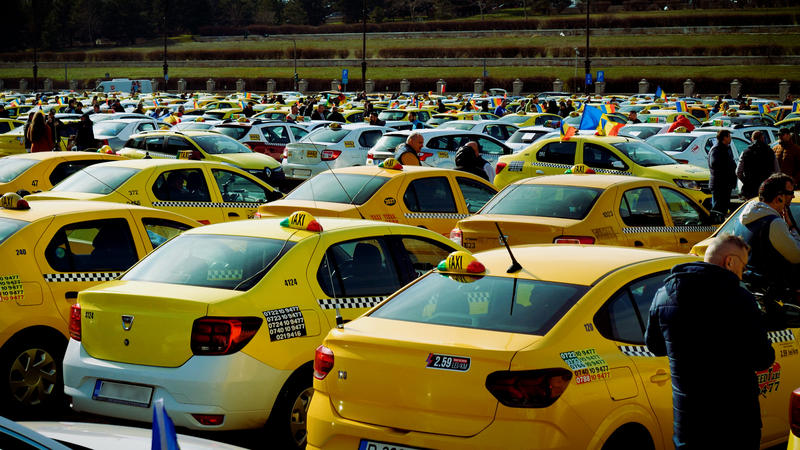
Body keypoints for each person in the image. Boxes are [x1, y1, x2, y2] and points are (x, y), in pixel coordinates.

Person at [645, 234, 775, 450]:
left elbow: (654, 346)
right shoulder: (740, 300)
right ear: (730, 261)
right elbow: (763, 359)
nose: (742, 274)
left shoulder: (664, 295)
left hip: (688, 422)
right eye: (743, 266)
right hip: (736, 423)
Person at [734, 173, 800, 290]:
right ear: (779, 198)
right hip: (773, 292)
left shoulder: (743, 217)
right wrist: (792, 228)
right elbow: (796, 256)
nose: (793, 196)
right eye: (790, 193)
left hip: (749, 286)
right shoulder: (774, 223)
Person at [737, 130, 778, 199]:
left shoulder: (746, 152)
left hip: (750, 188)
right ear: (763, 138)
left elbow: (738, 172)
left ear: (752, 139)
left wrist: (746, 181)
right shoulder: (770, 152)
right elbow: (777, 171)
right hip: (766, 188)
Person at [708, 129, 736, 216]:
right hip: (719, 184)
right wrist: (729, 167)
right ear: (725, 137)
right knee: (717, 210)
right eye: (729, 136)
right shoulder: (717, 149)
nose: (730, 138)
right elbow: (714, 164)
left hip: (726, 184)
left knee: (723, 209)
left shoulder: (726, 148)